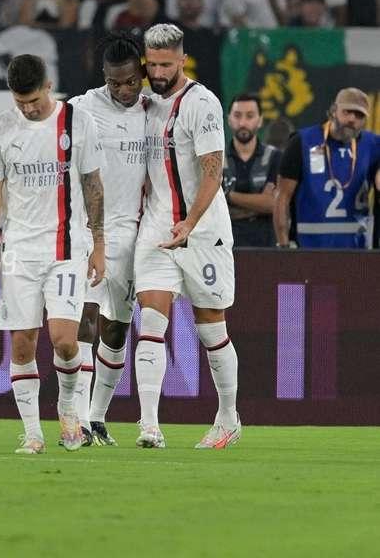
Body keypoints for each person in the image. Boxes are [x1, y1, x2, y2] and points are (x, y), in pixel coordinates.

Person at [0, 54, 105, 455]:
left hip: (67, 248)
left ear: (49, 86)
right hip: (19, 251)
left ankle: (68, 407)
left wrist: (99, 245)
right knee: (22, 345)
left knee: (64, 340)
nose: (28, 109)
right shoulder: (0, 128)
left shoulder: (78, 122)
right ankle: (32, 433)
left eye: (33, 100)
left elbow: (93, 186)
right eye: (20, 102)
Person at [135, 23, 240, 450]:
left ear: (182, 59)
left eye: (166, 64)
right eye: (152, 64)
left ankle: (228, 417)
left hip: (203, 232)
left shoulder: (203, 104)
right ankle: (149, 426)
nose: (158, 72)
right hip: (157, 230)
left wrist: (190, 222)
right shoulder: (142, 104)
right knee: (150, 322)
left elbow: (214, 171)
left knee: (212, 330)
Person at [68, 33, 148, 446]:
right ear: (104, 76)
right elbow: (38, 141)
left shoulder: (154, 112)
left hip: (132, 236)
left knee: (116, 331)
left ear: (142, 74)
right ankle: (79, 420)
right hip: (88, 232)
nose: (123, 89)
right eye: (114, 82)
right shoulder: (82, 108)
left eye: (130, 81)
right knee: (85, 318)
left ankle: (97, 417)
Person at [274, 87, 380, 249]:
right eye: (347, 112)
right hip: (307, 249)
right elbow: (282, 196)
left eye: (359, 115)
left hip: (357, 252)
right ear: (333, 111)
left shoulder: (373, 145)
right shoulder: (302, 141)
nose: (352, 119)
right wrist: (283, 246)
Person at [223, 93, 281, 247]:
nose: (242, 122)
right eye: (237, 116)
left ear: (260, 120)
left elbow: (273, 204)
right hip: (226, 246)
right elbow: (210, 208)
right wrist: (257, 205)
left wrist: (228, 196)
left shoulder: (274, 157)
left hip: (265, 247)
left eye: (250, 116)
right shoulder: (217, 157)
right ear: (229, 119)